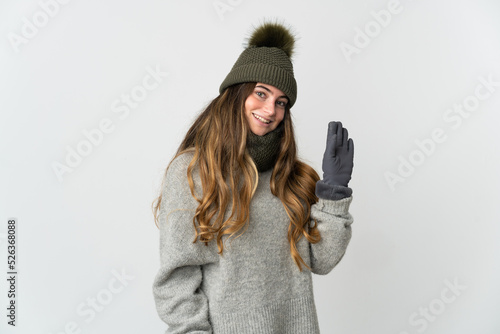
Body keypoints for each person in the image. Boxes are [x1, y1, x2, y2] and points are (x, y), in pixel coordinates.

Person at [152, 21, 354, 334]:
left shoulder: (292, 177)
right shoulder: (193, 171)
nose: (270, 109)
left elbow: (321, 260)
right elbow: (177, 282)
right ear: (237, 92)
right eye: (261, 93)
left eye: (281, 102)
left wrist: (334, 193)